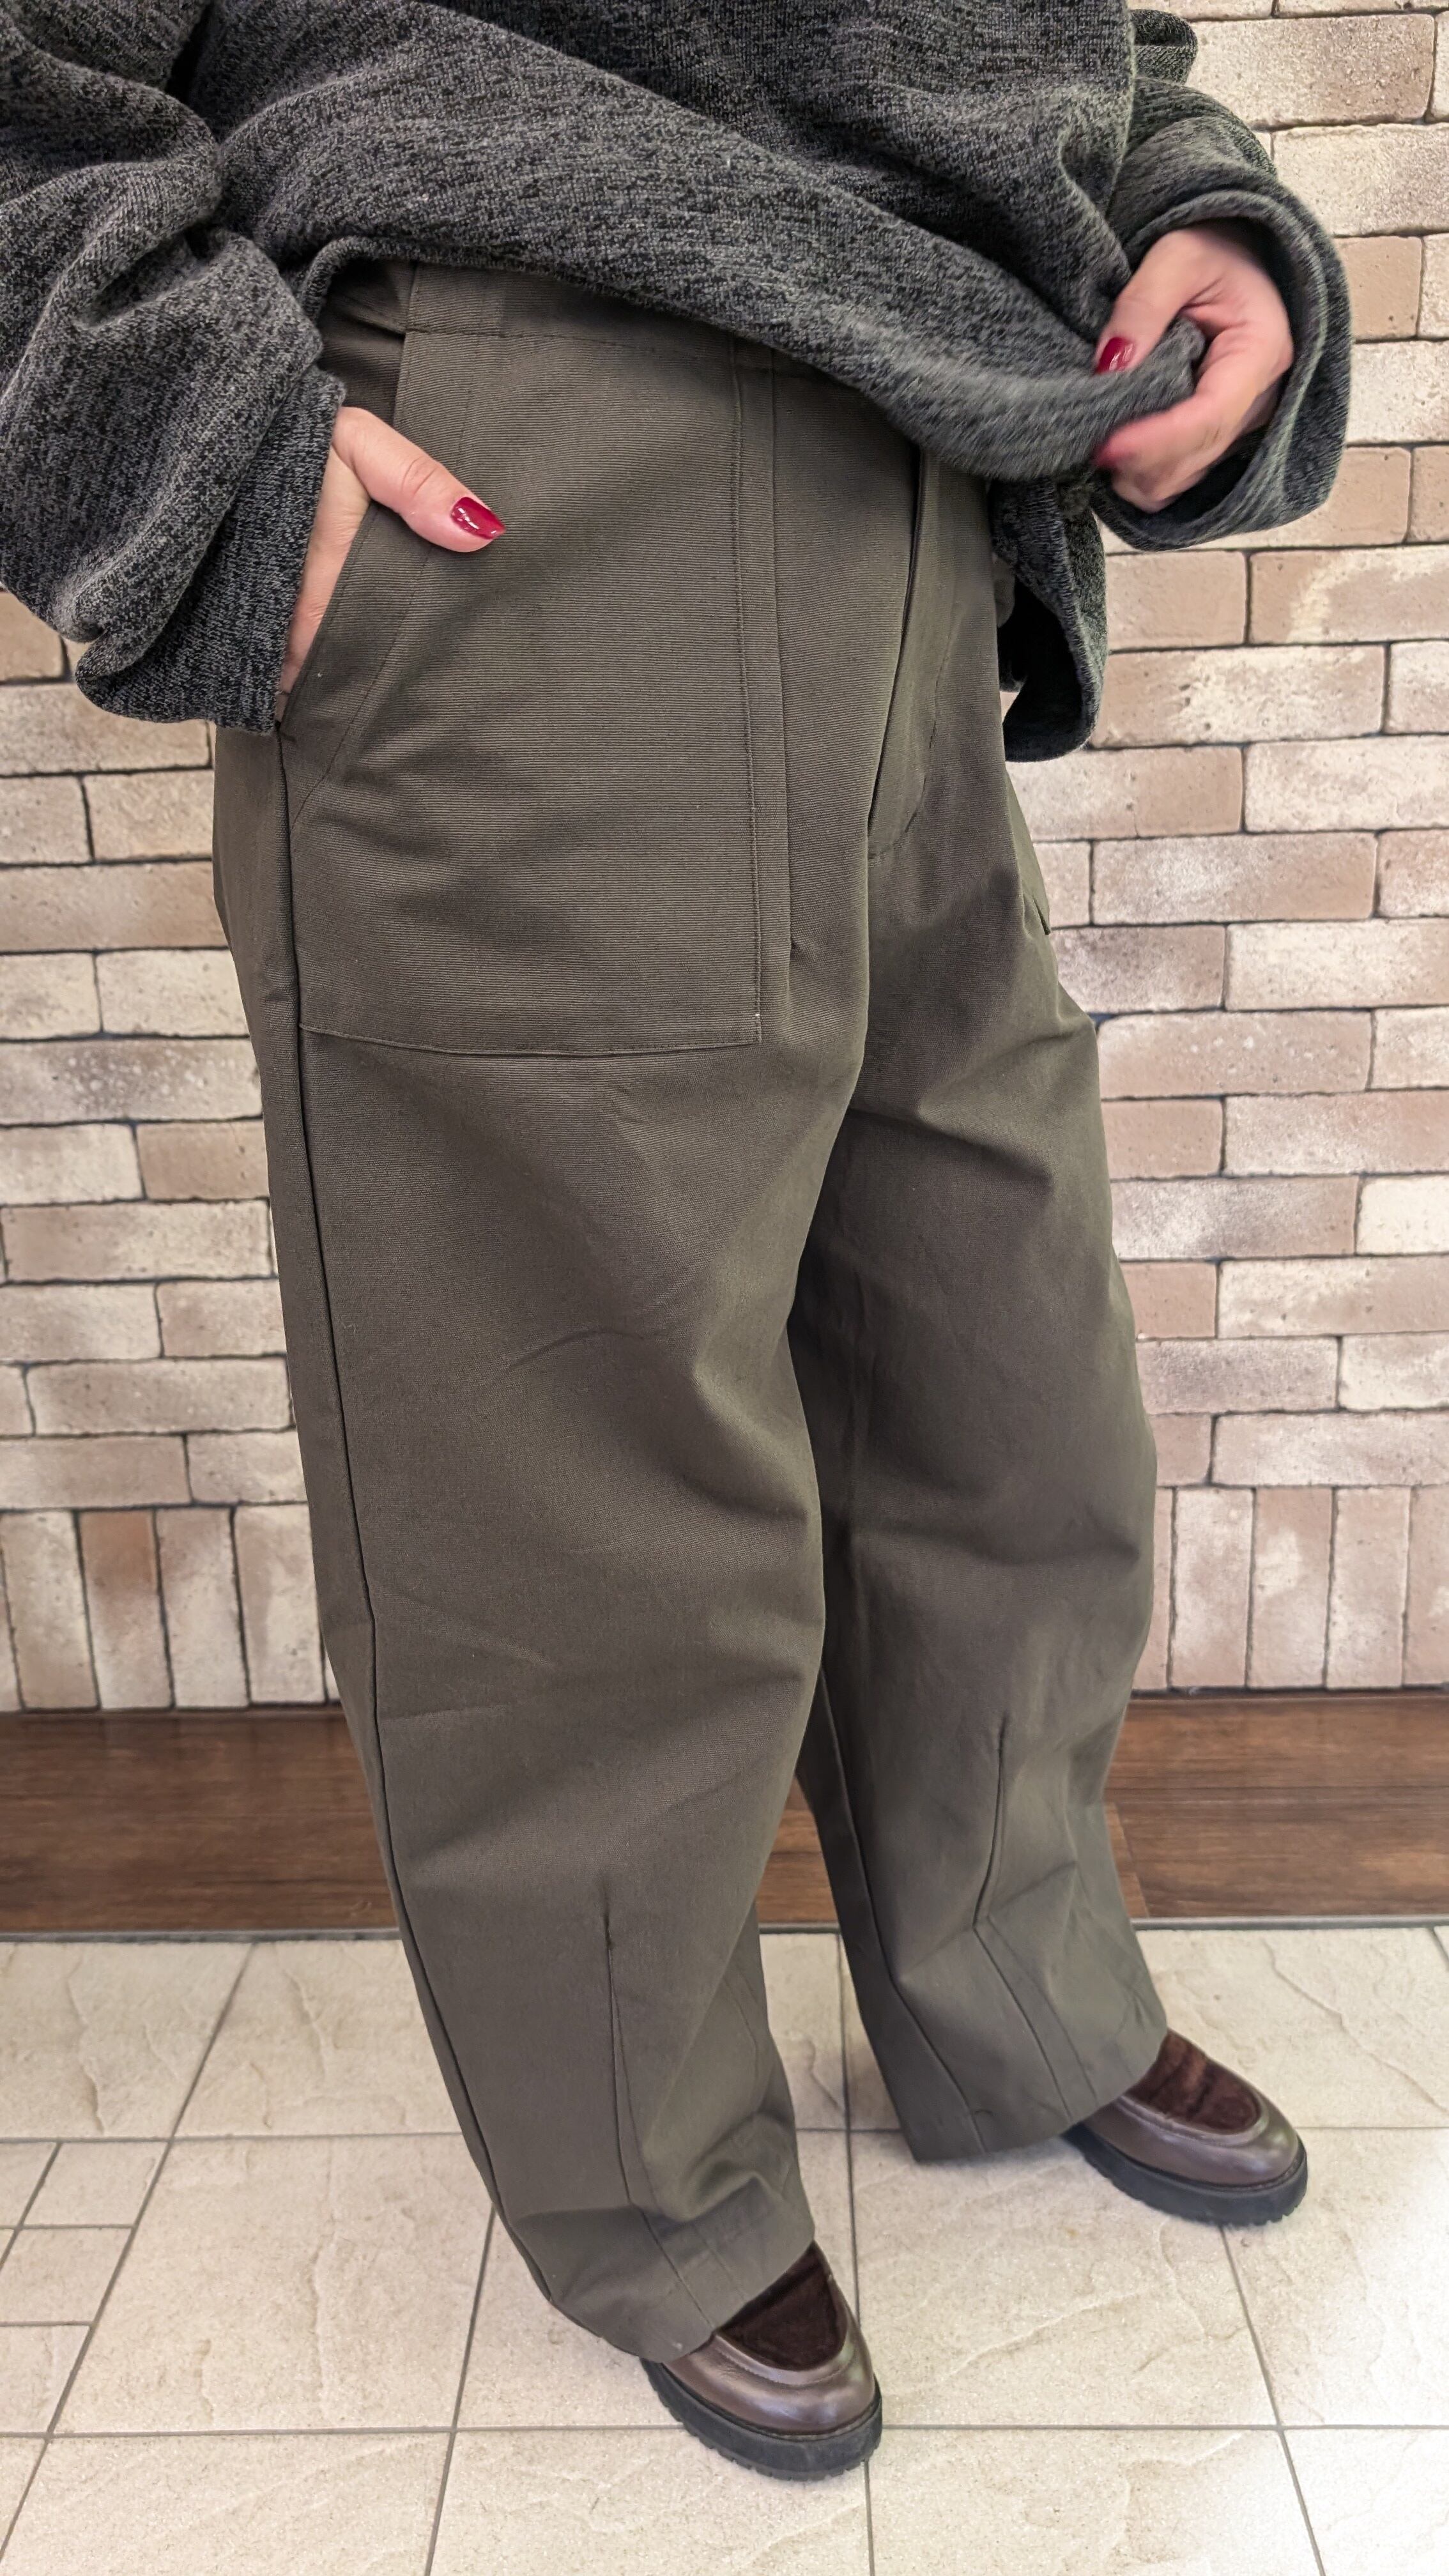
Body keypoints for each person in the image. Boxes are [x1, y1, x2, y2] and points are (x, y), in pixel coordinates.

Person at [1, 3, 1347, 2481]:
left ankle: (1014, 1989)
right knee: (579, 1487)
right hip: (533, 480)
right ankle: (650, 2178)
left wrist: (1186, 198)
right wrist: (191, 433)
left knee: (1004, 1395)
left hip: (928, 481)